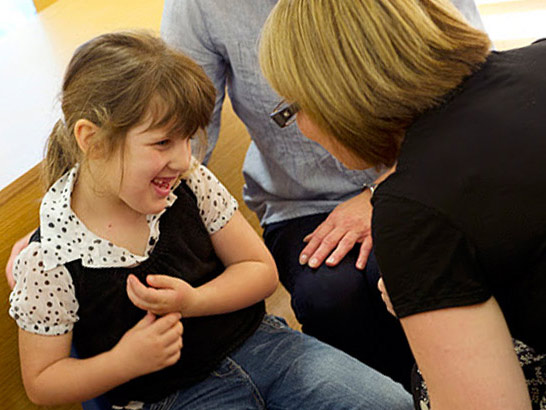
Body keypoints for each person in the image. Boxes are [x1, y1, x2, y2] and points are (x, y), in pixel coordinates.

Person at [8, 31, 413, 410]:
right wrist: (123, 361)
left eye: (187, 139)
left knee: (392, 403)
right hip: (171, 396)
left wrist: (195, 301)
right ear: (91, 140)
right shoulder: (48, 258)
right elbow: (43, 381)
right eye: (163, 142)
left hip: (265, 347)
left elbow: (259, 271)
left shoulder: (190, 181)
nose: (184, 159)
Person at [159, 0, 485, 389]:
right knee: (329, 296)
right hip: (299, 201)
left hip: (418, 173)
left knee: (408, 274)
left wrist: (382, 191)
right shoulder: (199, 7)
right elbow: (183, 132)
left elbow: (473, 88)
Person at [259, 0, 546, 409]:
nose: (301, 127)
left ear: (334, 94)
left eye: (293, 107)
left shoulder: (411, 210)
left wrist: (434, 298)